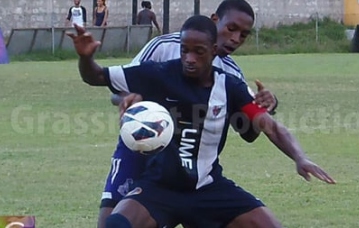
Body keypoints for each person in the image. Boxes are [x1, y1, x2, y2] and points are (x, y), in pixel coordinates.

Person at [68, 14, 336, 228]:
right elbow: (97, 77)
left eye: (198, 51)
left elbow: (269, 127)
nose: (189, 58)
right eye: (185, 50)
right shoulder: (159, 73)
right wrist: (86, 58)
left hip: (208, 188)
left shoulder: (230, 85)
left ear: (214, 50)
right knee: (116, 223)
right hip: (159, 188)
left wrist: (300, 157)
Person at [100, 1, 279, 227]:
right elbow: (118, 91)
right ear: (215, 20)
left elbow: (247, 131)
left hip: (185, 163)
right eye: (231, 29)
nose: (235, 38)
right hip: (139, 147)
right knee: (110, 221)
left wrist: (266, 107)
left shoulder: (231, 74)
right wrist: (131, 98)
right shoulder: (163, 47)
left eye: (243, 35)